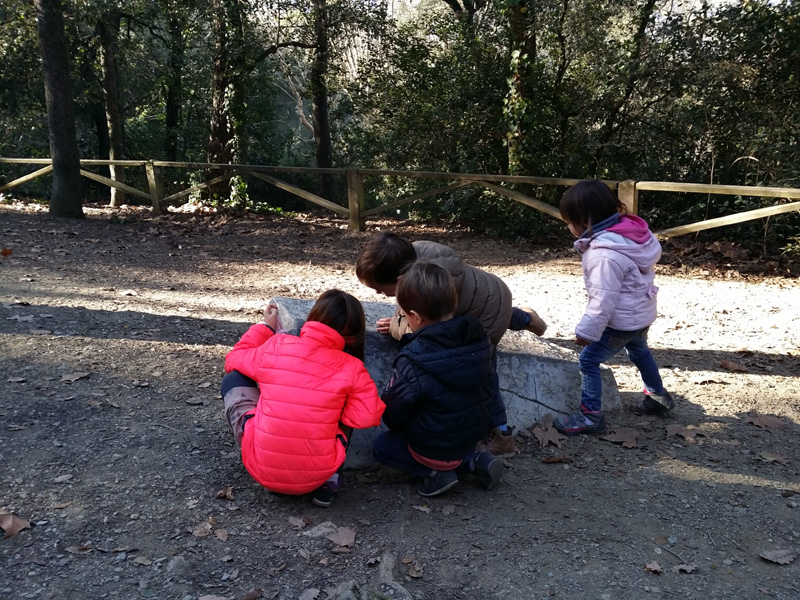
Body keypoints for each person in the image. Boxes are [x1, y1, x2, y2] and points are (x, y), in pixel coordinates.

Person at [356, 231, 546, 458]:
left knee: (485, 371)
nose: (379, 294)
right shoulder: (413, 256)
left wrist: (397, 327)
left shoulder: (424, 290)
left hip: (484, 318)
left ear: (400, 280)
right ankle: (527, 319)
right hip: (491, 292)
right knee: (502, 312)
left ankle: (503, 436)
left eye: (379, 288)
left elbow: (419, 329)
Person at [221, 290, 385, 507]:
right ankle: (330, 479)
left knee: (232, 379)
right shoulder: (352, 367)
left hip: (261, 469)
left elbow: (233, 359)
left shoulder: (278, 345)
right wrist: (329, 407)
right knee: (347, 409)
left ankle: (265, 453)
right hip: (317, 474)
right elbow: (366, 417)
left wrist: (266, 328)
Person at [372, 261, 504, 497]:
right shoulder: (478, 337)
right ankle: (474, 461)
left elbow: (393, 412)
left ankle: (434, 473)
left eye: (403, 314)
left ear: (415, 316)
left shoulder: (414, 358)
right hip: (471, 438)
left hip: (431, 446)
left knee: (383, 446)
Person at [554, 179, 675, 436]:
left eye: (568, 221)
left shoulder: (603, 254)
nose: (567, 226)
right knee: (640, 351)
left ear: (584, 220)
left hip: (621, 321)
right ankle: (658, 397)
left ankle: (590, 416)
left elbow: (603, 299)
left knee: (587, 361)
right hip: (641, 313)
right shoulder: (629, 235)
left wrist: (586, 332)